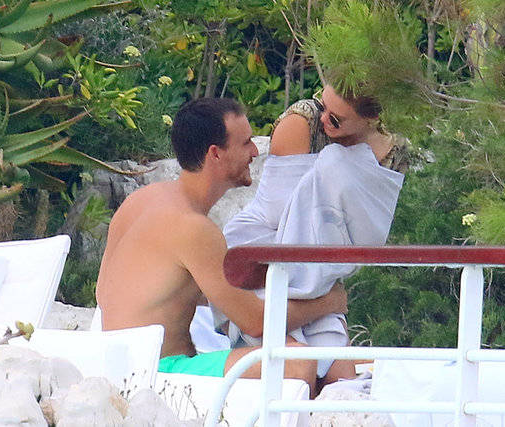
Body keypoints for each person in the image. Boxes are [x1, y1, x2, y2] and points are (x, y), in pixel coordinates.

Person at [95, 98, 348, 397]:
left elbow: (147, 291)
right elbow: (255, 322)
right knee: (296, 362)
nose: (255, 152)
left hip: (114, 365)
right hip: (155, 374)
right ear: (215, 154)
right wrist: (329, 301)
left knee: (298, 354)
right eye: (245, 143)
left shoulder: (141, 201)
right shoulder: (192, 227)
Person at [222, 84, 409, 384]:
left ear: (370, 119)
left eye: (335, 119)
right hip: (265, 257)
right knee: (298, 372)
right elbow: (278, 213)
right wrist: (333, 167)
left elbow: (365, 240)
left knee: (340, 379)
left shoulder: (392, 153)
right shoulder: (303, 122)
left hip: (322, 273)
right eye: (323, 104)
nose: (324, 119)